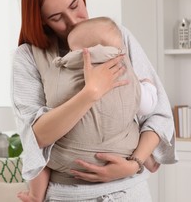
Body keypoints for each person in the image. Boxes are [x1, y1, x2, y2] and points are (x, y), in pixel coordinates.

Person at [12, 0, 177, 202]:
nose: (73, 21)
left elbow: (158, 112)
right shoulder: (29, 56)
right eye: (57, 17)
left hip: (130, 190)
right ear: (42, 20)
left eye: (75, 5)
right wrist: (90, 92)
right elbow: (36, 136)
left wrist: (135, 164)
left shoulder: (115, 37)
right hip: (67, 195)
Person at [17, 16, 160, 202]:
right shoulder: (128, 76)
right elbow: (149, 107)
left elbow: (37, 135)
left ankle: (35, 195)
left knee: (40, 153)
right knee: (133, 128)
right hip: (121, 153)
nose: (70, 19)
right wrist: (147, 86)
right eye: (56, 16)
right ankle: (148, 158)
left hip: (71, 163)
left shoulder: (61, 75)